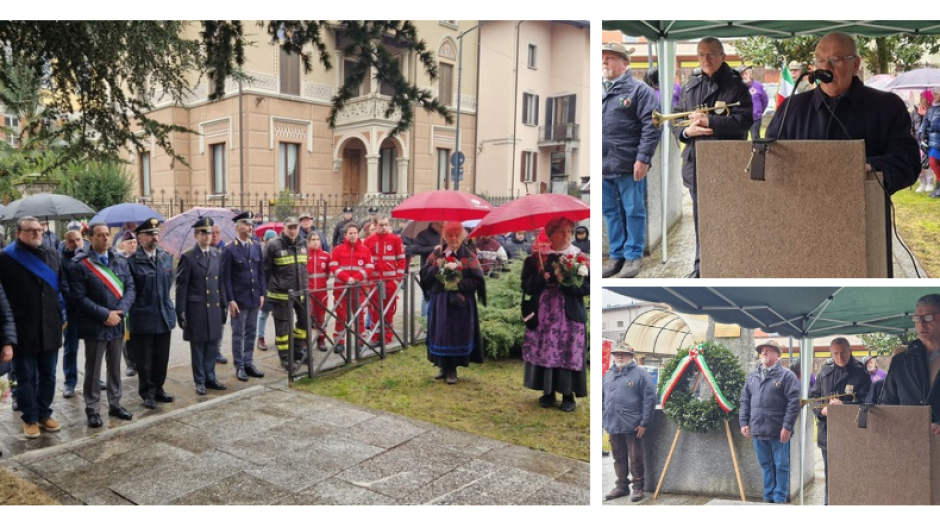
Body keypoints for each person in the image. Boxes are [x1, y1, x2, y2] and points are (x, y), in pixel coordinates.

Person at [767, 31, 920, 196]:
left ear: (855, 65)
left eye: (835, 60)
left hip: (865, 214)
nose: (826, 68)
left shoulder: (887, 106)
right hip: (803, 212)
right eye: (820, 60)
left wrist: (869, 167)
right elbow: (769, 159)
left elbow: (908, 164)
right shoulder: (792, 108)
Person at [674, 36, 753, 278]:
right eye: (701, 54)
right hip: (696, 163)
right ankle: (702, 267)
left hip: (725, 164)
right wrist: (686, 131)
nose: (705, 59)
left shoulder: (736, 86)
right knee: (701, 219)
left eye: (711, 54)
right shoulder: (691, 84)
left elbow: (743, 121)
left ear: (722, 56)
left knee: (728, 217)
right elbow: (677, 118)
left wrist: (710, 121)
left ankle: (729, 265)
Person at [601, 41, 661, 279]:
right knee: (611, 212)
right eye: (603, 57)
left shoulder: (639, 90)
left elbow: (652, 126)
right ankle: (617, 256)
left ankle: (633, 256)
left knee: (633, 210)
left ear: (625, 64)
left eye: (610, 58)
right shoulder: (600, 90)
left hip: (629, 163)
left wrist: (643, 158)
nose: (604, 61)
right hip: (604, 165)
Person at [0, 217, 64, 439]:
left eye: (40, 230)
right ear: (19, 233)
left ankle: (45, 413)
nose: (37, 234)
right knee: (26, 377)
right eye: (31, 231)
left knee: (48, 375)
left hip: (50, 326)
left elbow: (60, 288)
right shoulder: (6, 258)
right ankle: (29, 417)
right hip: (23, 328)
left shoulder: (53, 254)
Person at [69, 222, 136, 428]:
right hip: (95, 324)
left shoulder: (119, 260)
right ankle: (93, 408)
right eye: (100, 235)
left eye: (107, 235)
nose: (105, 238)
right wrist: (105, 314)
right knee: (94, 369)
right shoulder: (79, 265)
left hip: (117, 322)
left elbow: (131, 288)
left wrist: (121, 311)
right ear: (90, 238)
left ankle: (115, 404)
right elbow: (79, 298)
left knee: (115, 367)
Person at [521, 217, 589, 411]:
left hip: (570, 315)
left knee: (568, 351)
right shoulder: (537, 258)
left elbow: (587, 287)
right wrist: (541, 278)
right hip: (545, 314)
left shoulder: (578, 257)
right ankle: (548, 392)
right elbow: (526, 286)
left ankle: (568, 395)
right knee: (546, 350)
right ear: (551, 235)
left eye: (569, 231)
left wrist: (567, 282)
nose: (566, 235)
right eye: (561, 231)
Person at [419, 221, 485, 384]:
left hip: (460, 304)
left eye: (457, 235)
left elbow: (477, 280)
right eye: (450, 235)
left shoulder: (469, 256)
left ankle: (453, 370)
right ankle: (442, 366)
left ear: (462, 236)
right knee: (441, 333)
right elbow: (424, 275)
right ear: (445, 236)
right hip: (440, 302)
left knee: (456, 334)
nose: (453, 238)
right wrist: (437, 267)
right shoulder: (437, 254)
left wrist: (457, 284)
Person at [809, 336, 871, 505]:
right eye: (835, 353)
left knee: (851, 474)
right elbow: (814, 397)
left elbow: (867, 402)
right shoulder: (825, 371)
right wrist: (822, 410)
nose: (839, 357)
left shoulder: (861, 374)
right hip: (827, 433)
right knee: (831, 475)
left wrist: (844, 406)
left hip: (851, 434)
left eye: (843, 352)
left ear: (850, 351)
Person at [739, 340, 801, 504]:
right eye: (762, 351)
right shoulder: (752, 376)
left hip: (778, 431)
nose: (764, 353)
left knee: (781, 465)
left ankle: (779, 497)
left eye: (768, 350)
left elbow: (794, 403)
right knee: (766, 465)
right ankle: (768, 497)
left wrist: (787, 427)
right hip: (758, 430)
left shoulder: (787, 376)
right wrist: (744, 422)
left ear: (778, 355)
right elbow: (745, 401)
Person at [126, 218, 177, 409]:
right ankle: (147, 392)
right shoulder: (131, 262)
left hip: (164, 315)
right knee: (144, 359)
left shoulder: (165, 256)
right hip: (143, 317)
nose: (154, 237)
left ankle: (159, 389)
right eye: (149, 234)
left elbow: (167, 286)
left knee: (161, 357)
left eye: (156, 233)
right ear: (140, 238)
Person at [176, 217, 228, 395]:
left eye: (210, 232)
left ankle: (210, 377)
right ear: (196, 235)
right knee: (198, 346)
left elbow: (220, 282)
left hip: (213, 306)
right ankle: (200, 380)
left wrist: (224, 304)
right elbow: (181, 287)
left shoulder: (216, 254)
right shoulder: (188, 257)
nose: (208, 236)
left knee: (213, 344)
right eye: (203, 233)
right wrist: (180, 311)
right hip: (196, 308)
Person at [602, 343, 654, 502]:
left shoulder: (640, 374)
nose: (619, 356)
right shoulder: (608, 374)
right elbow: (602, 397)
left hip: (633, 424)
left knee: (635, 457)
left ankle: (638, 487)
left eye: (623, 354)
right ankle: (621, 486)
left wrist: (644, 422)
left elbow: (650, 398)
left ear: (631, 356)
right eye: (616, 354)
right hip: (612, 422)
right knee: (618, 456)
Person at [882, 294, 940, 435]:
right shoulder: (901, 361)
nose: (921, 323)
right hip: (911, 446)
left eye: (927, 317)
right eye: (917, 318)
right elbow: (887, 406)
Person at [221, 212, 267, 382]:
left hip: (254, 297)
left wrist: (262, 293)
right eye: (247, 224)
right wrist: (230, 300)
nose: (250, 227)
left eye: (251, 225)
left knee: (251, 332)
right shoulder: (229, 249)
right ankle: (239, 366)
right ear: (238, 227)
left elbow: (261, 272)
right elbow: (225, 278)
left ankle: (249, 363)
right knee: (238, 334)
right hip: (239, 301)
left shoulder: (256, 246)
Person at [264, 217, 310, 370]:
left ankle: (297, 351)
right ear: (284, 228)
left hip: (301, 293)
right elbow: (265, 270)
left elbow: (303, 267)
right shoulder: (273, 245)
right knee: (283, 328)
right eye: (290, 227)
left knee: (305, 322)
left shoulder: (303, 243)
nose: (292, 230)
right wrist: (270, 289)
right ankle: (285, 358)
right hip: (281, 295)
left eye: (295, 227)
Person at [329, 223, 373, 355]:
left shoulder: (365, 250)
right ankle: (339, 342)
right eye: (350, 233)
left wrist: (357, 278)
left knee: (359, 316)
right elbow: (333, 266)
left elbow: (370, 267)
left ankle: (360, 342)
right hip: (341, 290)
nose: (353, 235)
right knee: (341, 316)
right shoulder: (337, 250)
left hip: (359, 290)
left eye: (355, 233)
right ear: (345, 235)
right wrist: (346, 278)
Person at [363, 213, 405, 345]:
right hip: (375, 282)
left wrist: (397, 279)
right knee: (374, 310)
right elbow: (366, 262)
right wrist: (368, 281)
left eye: (386, 224)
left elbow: (402, 260)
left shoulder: (395, 240)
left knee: (388, 310)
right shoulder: (369, 241)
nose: (384, 227)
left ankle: (387, 337)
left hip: (390, 282)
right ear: (375, 225)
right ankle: (375, 337)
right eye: (381, 225)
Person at [59, 229, 85, 398]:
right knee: (71, 348)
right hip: (72, 310)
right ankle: (70, 382)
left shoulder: (88, 257)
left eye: (78, 240)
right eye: (71, 241)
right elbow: (63, 285)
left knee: (93, 348)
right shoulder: (61, 260)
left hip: (90, 310)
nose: (75, 244)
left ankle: (94, 378)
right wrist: (79, 301)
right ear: (65, 242)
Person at [118, 230, 138, 376]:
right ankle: (130, 363)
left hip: (139, 302)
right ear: (122, 245)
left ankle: (139, 361)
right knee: (128, 335)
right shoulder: (119, 260)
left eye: (134, 242)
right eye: (129, 242)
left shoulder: (139, 258)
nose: (132, 245)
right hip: (125, 302)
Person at [306, 231, 331, 352]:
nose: (316, 242)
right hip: (308, 291)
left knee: (321, 317)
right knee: (306, 316)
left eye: (317, 239)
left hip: (321, 292)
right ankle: (305, 342)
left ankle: (321, 339)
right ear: (308, 242)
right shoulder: (304, 255)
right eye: (313, 240)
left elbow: (327, 273)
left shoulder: (326, 256)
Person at [412, 221, 442, 317]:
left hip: (441, 271)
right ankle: (425, 322)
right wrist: (433, 248)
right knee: (427, 296)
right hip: (427, 270)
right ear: (434, 223)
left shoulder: (442, 235)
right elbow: (416, 249)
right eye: (440, 225)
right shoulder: (423, 234)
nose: (442, 227)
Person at [256, 229, 278, 351]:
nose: (272, 242)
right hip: (266, 287)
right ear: (265, 240)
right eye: (270, 239)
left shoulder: (278, 250)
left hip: (278, 287)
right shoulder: (261, 252)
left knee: (278, 314)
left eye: (274, 239)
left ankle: (279, 336)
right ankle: (260, 337)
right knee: (263, 314)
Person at [919, 88, 940, 197]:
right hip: (932, 141)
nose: (934, 95)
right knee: (932, 162)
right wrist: (922, 132)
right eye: (934, 93)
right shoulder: (931, 109)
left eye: (936, 93)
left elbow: (935, 124)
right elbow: (925, 122)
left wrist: (934, 126)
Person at [740, 66, 768, 140]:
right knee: (742, 139)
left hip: (755, 118)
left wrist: (759, 111)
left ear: (751, 75)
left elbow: (765, 100)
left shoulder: (758, 86)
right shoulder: (739, 87)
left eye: (746, 74)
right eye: (742, 75)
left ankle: (757, 151)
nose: (744, 76)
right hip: (743, 118)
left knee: (755, 138)